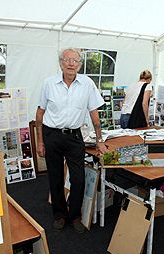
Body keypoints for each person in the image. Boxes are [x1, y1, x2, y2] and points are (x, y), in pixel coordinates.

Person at [36, 48, 108, 233]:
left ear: (80, 65)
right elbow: (40, 113)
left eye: (75, 61)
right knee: (56, 177)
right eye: (67, 60)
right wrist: (40, 141)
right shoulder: (49, 83)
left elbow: (94, 114)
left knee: (79, 179)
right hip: (52, 135)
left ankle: (75, 215)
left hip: (75, 137)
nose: (71, 64)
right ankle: (59, 214)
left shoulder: (87, 84)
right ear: (61, 63)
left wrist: (99, 140)